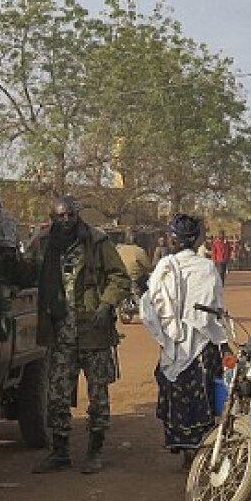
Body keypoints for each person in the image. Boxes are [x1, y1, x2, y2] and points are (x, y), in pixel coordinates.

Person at [29, 196, 131, 475]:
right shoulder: (45, 244)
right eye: (60, 216)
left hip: (93, 333)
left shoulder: (96, 242)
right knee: (58, 396)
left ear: (78, 215)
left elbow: (120, 278)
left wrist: (106, 303)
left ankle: (95, 451)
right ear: (53, 217)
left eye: (70, 216)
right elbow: (26, 270)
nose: (65, 221)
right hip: (60, 334)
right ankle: (60, 452)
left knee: (98, 396)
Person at [140, 213, 229, 469]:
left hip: (173, 345)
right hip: (203, 345)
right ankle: (200, 451)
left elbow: (150, 307)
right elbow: (217, 308)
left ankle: (186, 452)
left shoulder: (164, 267)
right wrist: (221, 340)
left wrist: (165, 335)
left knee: (177, 396)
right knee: (205, 397)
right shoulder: (207, 268)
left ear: (172, 239)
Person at [114, 230, 152, 296]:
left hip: (118, 280)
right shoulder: (138, 250)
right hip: (134, 281)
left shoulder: (117, 249)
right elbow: (149, 267)